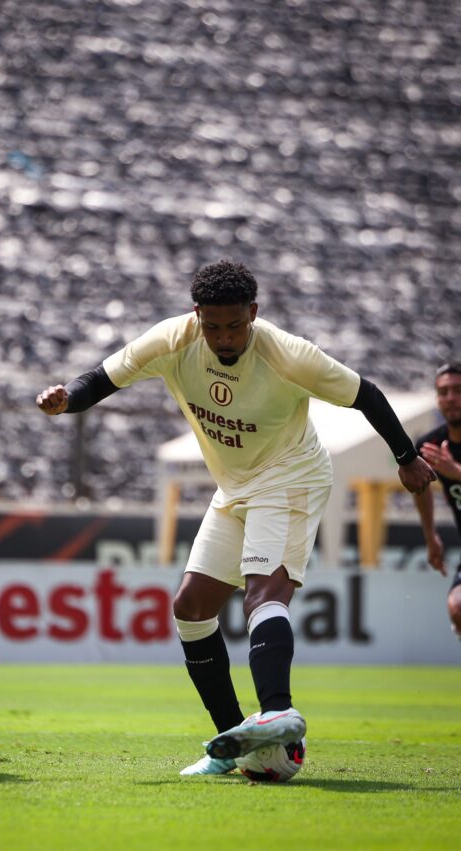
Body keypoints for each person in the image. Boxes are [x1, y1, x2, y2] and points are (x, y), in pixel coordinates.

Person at [36, 258, 435, 775]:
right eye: (213, 326)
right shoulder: (173, 339)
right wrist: (66, 399)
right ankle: (231, 743)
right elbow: (103, 378)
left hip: (292, 475)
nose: (224, 338)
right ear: (196, 314)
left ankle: (277, 712)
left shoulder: (290, 355)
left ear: (254, 312)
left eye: (235, 325)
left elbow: (368, 396)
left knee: (262, 593)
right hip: (236, 485)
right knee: (190, 607)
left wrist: (406, 458)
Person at [411, 362, 461, 639]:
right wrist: (431, 537)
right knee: (458, 607)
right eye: (443, 392)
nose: (450, 398)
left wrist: (456, 473)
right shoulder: (431, 445)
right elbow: (421, 487)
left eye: (457, 390)